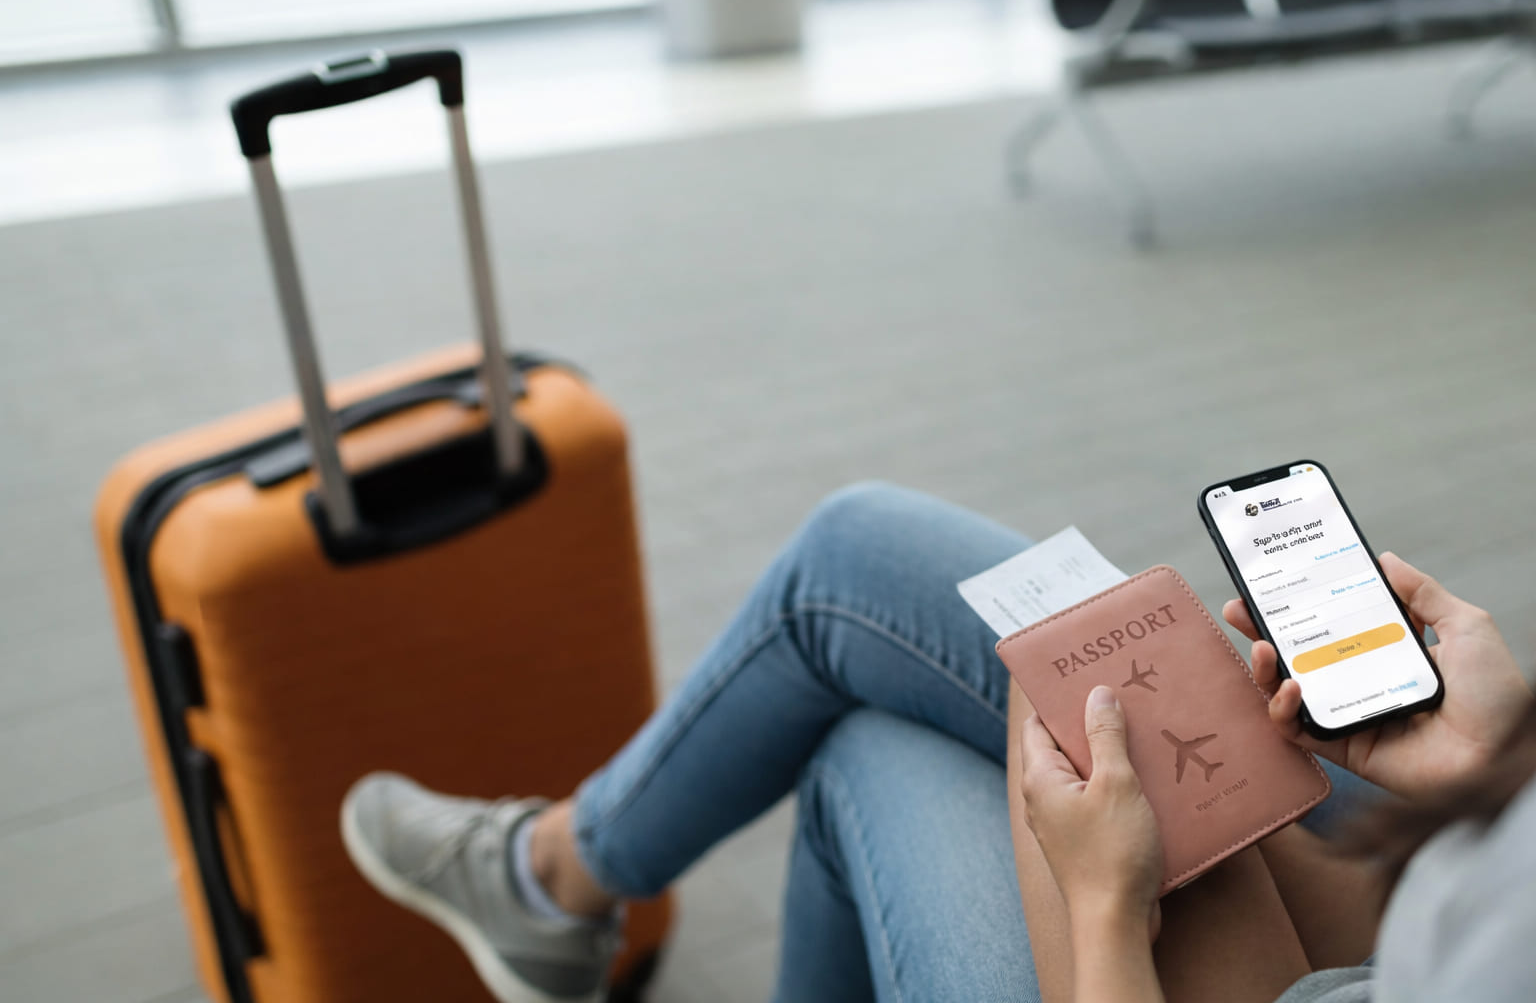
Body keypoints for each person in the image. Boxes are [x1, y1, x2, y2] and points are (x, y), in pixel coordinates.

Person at [340, 482, 1534, 1003]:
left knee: (866, 746)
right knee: (860, 557)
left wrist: (1106, 902)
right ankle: (550, 879)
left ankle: (547, 886)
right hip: (1462, 889)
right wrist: (1495, 774)